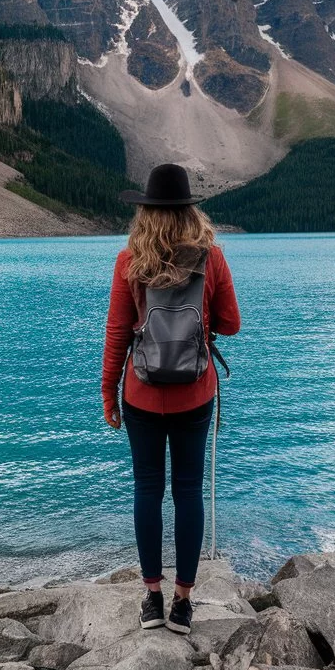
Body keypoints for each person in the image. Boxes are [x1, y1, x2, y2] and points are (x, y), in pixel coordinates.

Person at [101, 163, 241, 634]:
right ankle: (184, 604)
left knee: (147, 490)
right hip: (195, 392)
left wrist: (108, 392)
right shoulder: (211, 257)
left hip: (140, 393)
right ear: (189, 211)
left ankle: (152, 600)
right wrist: (198, 326)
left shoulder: (129, 260)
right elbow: (232, 323)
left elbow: (118, 332)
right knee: (187, 491)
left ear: (146, 212)